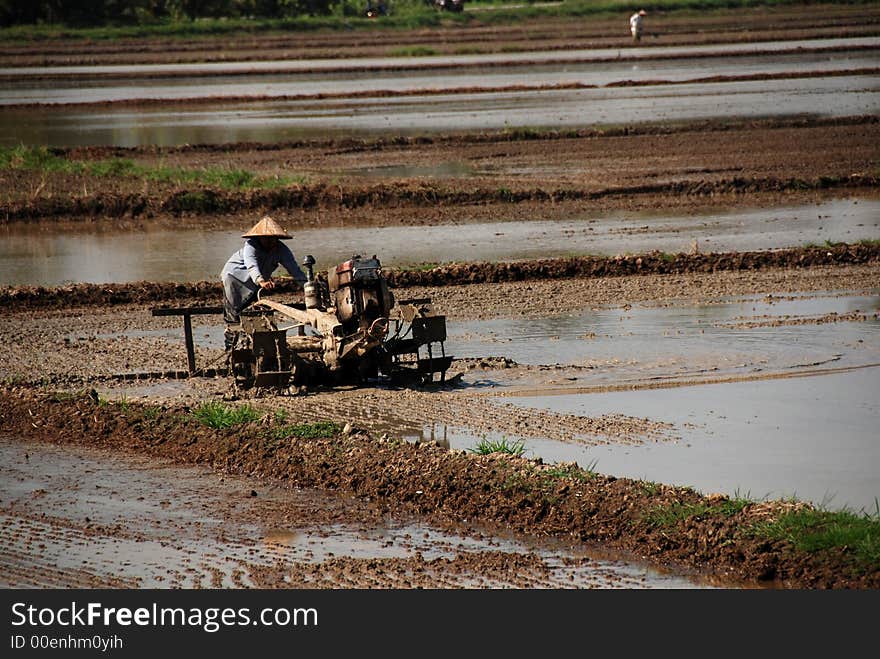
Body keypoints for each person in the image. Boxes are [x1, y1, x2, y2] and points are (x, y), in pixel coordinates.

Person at [220, 215, 308, 350]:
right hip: (234, 278)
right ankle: (231, 351)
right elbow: (252, 265)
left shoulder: (281, 250)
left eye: (273, 238)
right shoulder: (251, 246)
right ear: (259, 237)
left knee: (254, 314)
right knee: (234, 316)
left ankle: (252, 347)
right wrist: (261, 280)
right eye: (266, 238)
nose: (270, 241)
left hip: (255, 283)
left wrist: (307, 287)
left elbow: (294, 269)